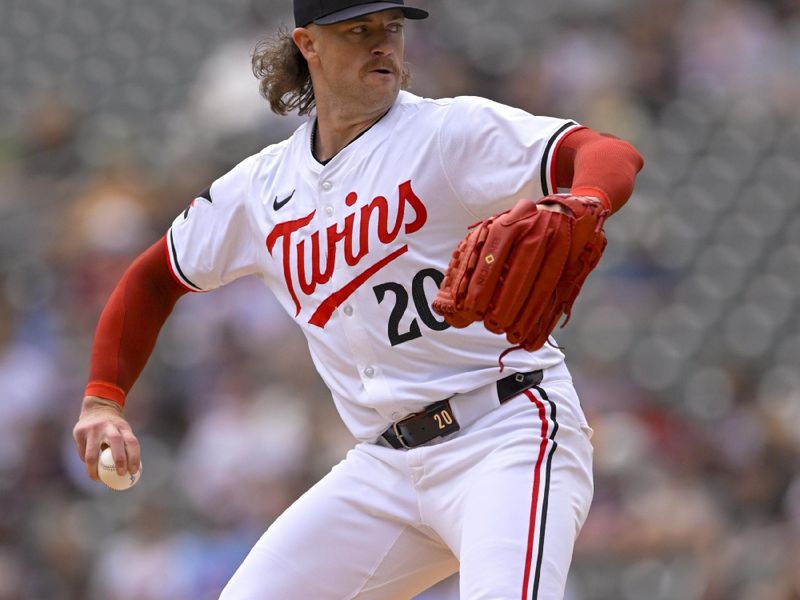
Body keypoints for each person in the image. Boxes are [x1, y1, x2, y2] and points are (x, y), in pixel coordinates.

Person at [72, 0, 644, 598]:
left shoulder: (447, 132)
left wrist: (583, 202)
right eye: (358, 30)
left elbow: (607, 153)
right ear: (308, 44)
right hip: (386, 466)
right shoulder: (259, 187)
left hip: (505, 433)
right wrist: (102, 401)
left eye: (391, 28)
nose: (382, 43)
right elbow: (153, 276)